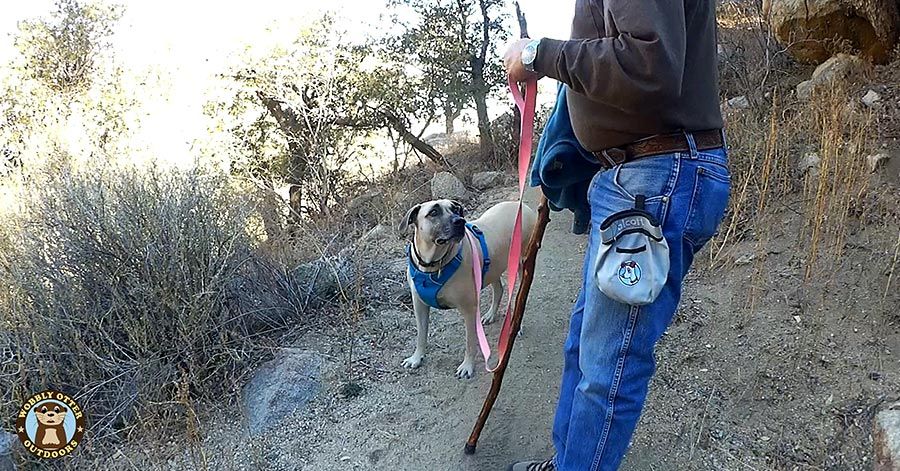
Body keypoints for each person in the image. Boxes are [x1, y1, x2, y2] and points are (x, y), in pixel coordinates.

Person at [502, 1, 731, 470]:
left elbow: (649, 63)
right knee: (585, 347)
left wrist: (539, 54)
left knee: (608, 368)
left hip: (653, 178)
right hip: (637, 180)